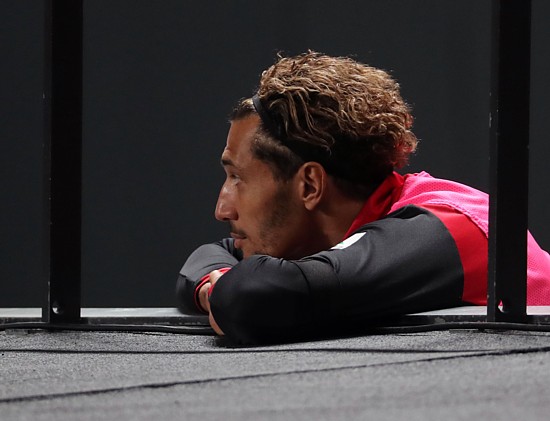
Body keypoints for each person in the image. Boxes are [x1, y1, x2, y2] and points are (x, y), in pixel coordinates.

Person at [176, 51, 550, 344]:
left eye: (237, 178)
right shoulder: (364, 229)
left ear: (310, 185)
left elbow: (250, 297)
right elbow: (213, 256)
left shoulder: (449, 228)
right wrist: (217, 284)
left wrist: (222, 289)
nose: (222, 209)